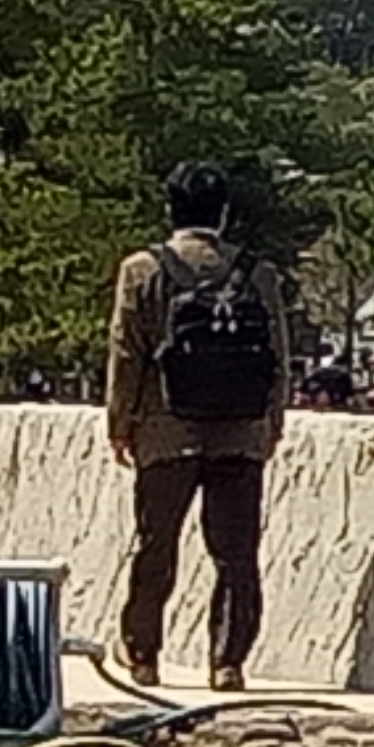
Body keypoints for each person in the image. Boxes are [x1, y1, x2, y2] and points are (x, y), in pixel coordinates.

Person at [105, 162, 289, 691]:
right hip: (239, 432)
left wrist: (121, 423)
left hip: (167, 431)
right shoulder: (259, 273)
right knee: (236, 554)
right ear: (223, 214)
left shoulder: (142, 270)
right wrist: (271, 423)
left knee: (156, 543)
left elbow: (127, 354)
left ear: (171, 209)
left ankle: (143, 654)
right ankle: (227, 661)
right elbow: (278, 355)